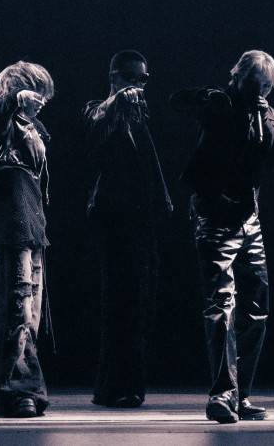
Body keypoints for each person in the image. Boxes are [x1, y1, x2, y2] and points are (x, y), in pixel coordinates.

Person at [170, 50, 274, 424]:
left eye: (267, 86)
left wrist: (264, 119)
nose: (261, 91)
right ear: (238, 76)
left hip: (249, 219)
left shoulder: (267, 114)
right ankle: (221, 393)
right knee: (221, 305)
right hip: (216, 216)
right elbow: (178, 100)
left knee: (256, 308)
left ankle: (241, 393)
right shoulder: (220, 103)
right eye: (256, 83)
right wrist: (209, 96)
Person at [83, 50, 172, 408]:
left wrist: (163, 198)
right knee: (119, 301)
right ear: (115, 77)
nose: (139, 85)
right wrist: (117, 101)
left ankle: (129, 383)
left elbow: (149, 163)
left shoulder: (138, 115)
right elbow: (93, 135)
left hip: (141, 219)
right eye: (133, 78)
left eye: (144, 79)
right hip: (114, 219)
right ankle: (113, 385)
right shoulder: (100, 109)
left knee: (141, 301)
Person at [0, 61, 54, 418]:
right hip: (10, 224)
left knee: (29, 313)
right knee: (17, 308)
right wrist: (12, 103)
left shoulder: (33, 128)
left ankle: (11, 391)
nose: (43, 100)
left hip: (31, 224)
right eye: (37, 91)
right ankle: (18, 390)